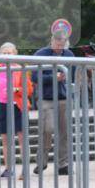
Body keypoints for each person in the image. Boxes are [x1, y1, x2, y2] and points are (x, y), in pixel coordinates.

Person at [32, 30, 75, 175]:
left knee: (64, 132)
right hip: (46, 98)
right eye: (57, 45)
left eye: (62, 45)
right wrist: (53, 78)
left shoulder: (69, 55)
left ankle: (63, 164)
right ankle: (41, 161)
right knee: (47, 129)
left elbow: (73, 75)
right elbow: (35, 77)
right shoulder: (40, 54)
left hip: (64, 98)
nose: (60, 48)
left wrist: (67, 80)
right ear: (52, 41)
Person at [0, 43, 32, 180]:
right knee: (5, 139)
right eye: (4, 53)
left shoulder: (20, 69)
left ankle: (25, 170)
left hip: (18, 106)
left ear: (15, 54)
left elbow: (29, 89)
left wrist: (16, 90)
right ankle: (8, 169)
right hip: (3, 105)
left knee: (22, 138)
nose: (7, 55)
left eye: (9, 53)